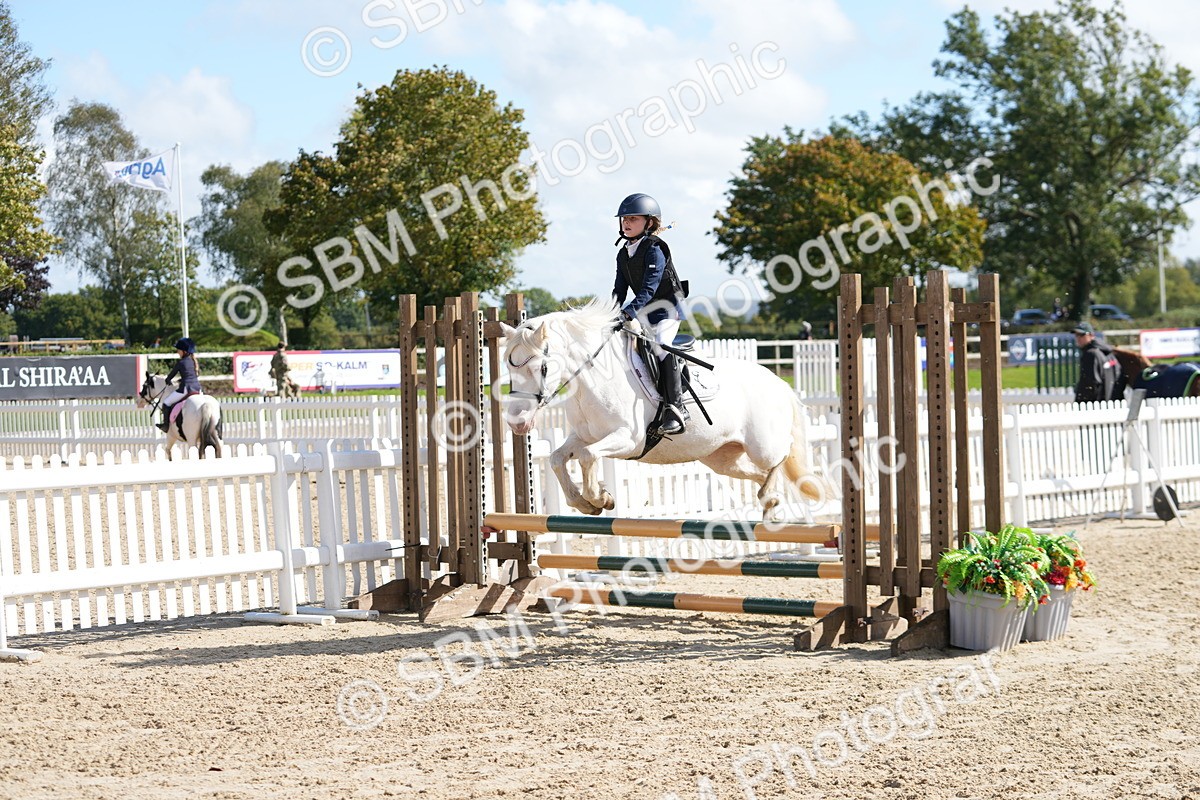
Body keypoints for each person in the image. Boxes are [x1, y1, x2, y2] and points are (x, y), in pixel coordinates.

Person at [611, 192, 689, 436]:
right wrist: (610, 313)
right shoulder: (623, 253)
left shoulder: (656, 248)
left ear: (649, 222)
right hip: (644, 312)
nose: (626, 222)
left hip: (667, 310)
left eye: (633, 218)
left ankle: (676, 409)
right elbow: (619, 290)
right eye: (624, 218)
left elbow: (649, 288)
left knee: (661, 346)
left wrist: (628, 313)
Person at [157, 337, 202, 431]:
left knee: (166, 403)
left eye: (178, 349)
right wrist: (182, 379)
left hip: (186, 389)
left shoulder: (181, 362)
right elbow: (192, 375)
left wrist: (168, 380)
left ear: (184, 351)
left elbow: (170, 376)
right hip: (198, 388)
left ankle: (165, 426)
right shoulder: (194, 362)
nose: (177, 351)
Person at [1072, 322, 1122, 403]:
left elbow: (1090, 383)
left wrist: (1081, 402)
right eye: (1076, 335)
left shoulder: (1091, 354)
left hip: (1095, 406)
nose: (1078, 338)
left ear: (1091, 335)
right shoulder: (1108, 353)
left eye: (1081, 335)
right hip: (1112, 404)